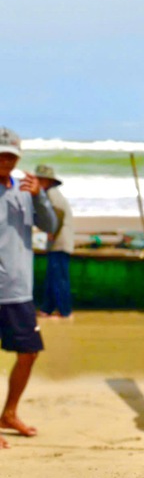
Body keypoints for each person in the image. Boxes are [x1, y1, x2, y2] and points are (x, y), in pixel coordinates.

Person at [0, 127, 58, 450]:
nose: (5, 160)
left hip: (20, 288)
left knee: (29, 353)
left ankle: (8, 413)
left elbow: (50, 227)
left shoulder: (25, 189)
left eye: (11, 155)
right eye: (1, 154)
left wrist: (41, 197)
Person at [35, 165, 74, 319]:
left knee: (59, 278)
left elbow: (58, 212)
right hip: (57, 242)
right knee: (52, 277)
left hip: (60, 241)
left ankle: (65, 311)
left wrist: (52, 231)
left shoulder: (51, 193)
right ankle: (47, 308)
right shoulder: (49, 193)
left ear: (47, 181)